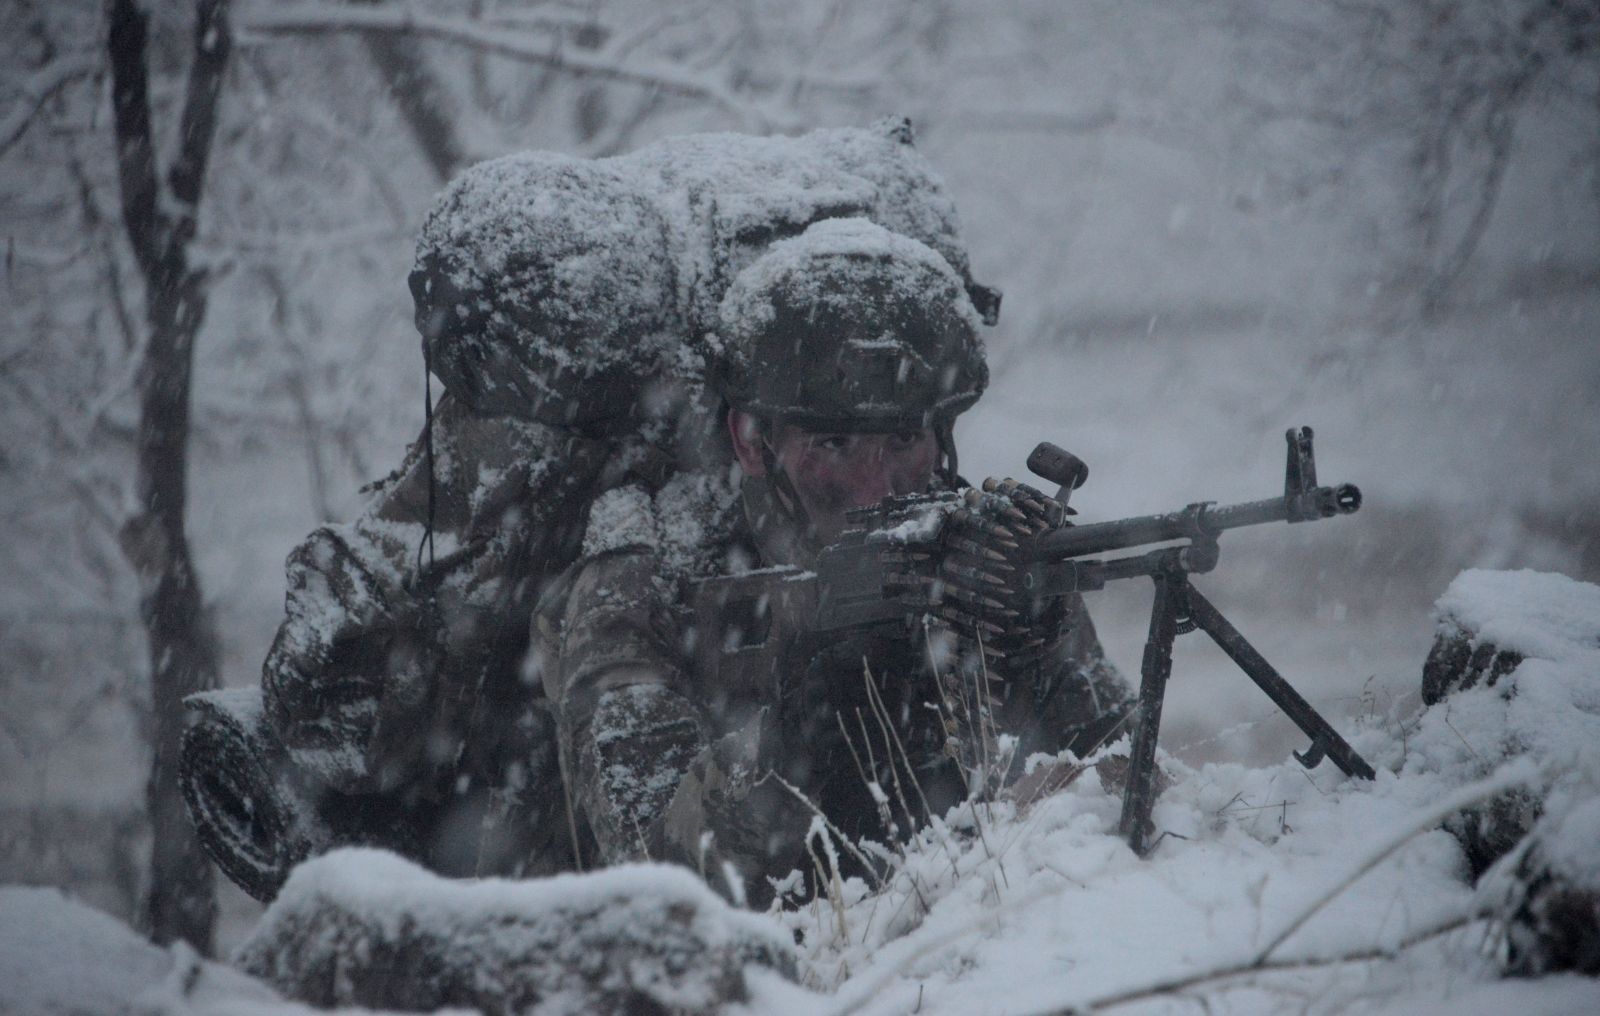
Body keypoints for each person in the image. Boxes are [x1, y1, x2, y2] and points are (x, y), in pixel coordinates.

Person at [531, 218, 1131, 903]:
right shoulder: (646, 570)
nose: (880, 484)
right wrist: (793, 746)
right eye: (836, 444)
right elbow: (642, 852)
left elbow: (1124, 780)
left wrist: (1034, 663)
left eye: (905, 438)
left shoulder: (979, 551)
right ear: (751, 440)